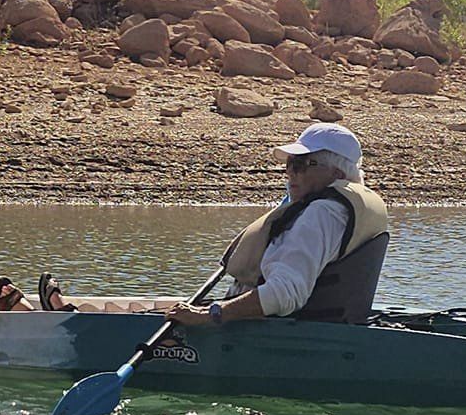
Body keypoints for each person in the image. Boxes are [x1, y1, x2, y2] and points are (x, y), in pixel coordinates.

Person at [167, 122, 389, 328]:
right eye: (290, 163)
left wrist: (210, 314)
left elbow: (284, 293)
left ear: (336, 173)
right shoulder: (344, 207)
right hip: (330, 325)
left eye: (302, 164)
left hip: (279, 333)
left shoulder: (322, 213)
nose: (291, 172)